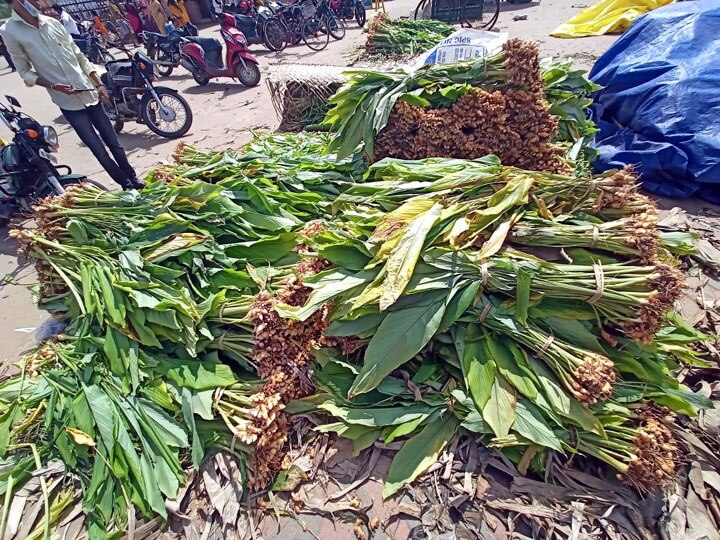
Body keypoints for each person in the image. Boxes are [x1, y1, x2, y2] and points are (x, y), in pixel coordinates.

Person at [0, 0, 144, 190]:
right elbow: (25, 71)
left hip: (89, 92)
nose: (39, 2)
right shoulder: (10, 31)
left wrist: (99, 83)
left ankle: (133, 178)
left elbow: (79, 57)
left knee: (114, 143)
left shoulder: (52, 23)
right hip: (68, 102)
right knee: (98, 149)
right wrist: (54, 86)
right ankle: (125, 184)